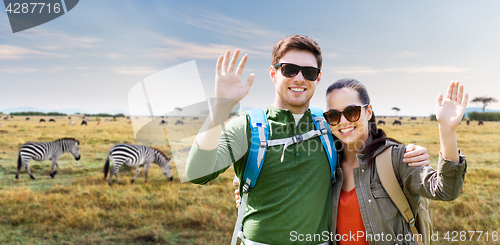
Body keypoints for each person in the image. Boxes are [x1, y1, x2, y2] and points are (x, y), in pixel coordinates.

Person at [186, 35, 430, 245]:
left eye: (309, 72)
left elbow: (364, 142)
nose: (299, 78)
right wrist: (220, 108)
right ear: (273, 73)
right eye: (289, 70)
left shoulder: (328, 124)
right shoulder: (247, 126)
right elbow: (198, 173)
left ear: (318, 78)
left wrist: (407, 150)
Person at [324, 79, 467, 244]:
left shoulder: (396, 158)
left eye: (352, 112)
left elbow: (446, 190)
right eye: (333, 115)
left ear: (368, 112)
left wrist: (447, 131)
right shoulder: (329, 166)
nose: (343, 122)